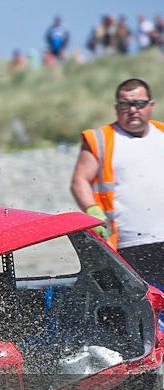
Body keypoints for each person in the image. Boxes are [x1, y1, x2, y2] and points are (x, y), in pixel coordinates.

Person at [70, 78, 164, 288]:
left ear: (150, 106)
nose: (133, 110)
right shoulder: (101, 139)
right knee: (145, 302)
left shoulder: (162, 134)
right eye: (125, 105)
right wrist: (92, 209)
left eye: (139, 104)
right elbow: (80, 180)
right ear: (116, 108)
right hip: (126, 242)